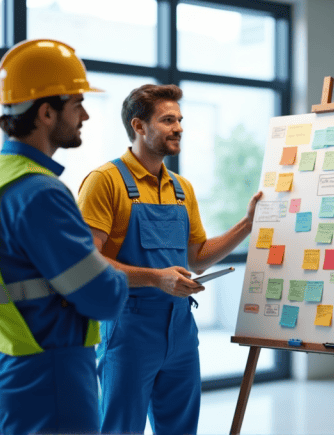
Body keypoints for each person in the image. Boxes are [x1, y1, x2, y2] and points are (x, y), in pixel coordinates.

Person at [0, 39, 129, 434]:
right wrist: (115, 271)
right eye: (76, 103)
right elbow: (102, 297)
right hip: (49, 376)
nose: (85, 114)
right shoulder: (40, 193)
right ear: (46, 112)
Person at [77, 83, 262, 434]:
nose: (178, 127)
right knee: (121, 428)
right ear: (139, 126)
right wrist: (156, 278)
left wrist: (248, 224)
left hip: (180, 328)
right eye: (167, 120)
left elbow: (198, 258)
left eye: (179, 120)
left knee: (180, 428)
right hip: (128, 328)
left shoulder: (182, 188)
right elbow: (88, 260)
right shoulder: (105, 181)